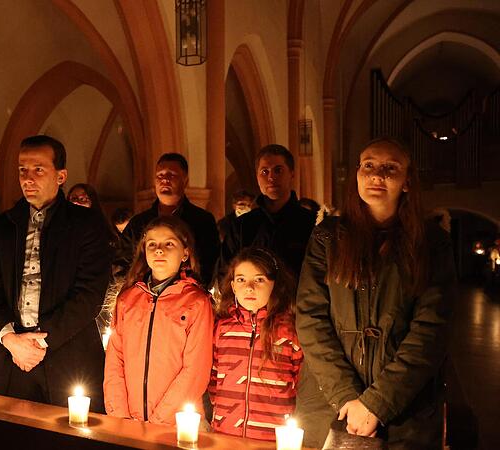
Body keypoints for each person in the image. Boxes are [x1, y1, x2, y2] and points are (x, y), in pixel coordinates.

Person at [294, 137, 456, 448]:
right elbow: (311, 317)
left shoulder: (432, 243)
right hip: (331, 400)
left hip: (405, 407)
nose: (376, 175)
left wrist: (378, 403)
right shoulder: (327, 237)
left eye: (389, 168)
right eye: (368, 165)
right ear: (356, 173)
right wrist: (346, 395)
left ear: (407, 182)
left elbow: (432, 329)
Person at [0, 135, 112, 410]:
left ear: (61, 175)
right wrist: (9, 338)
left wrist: (39, 343)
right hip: (11, 356)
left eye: (38, 169)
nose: (28, 178)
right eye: (22, 170)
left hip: (68, 354)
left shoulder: (85, 224)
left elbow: (89, 294)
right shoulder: (4, 226)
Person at [104, 216, 213, 424]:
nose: (159, 250)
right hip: (129, 422)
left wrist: (158, 420)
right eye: (152, 244)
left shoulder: (197, 303)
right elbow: (114, 360)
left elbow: (195, 371)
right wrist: (120, 415)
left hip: (177, 423)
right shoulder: (128, 299)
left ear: (185, 253)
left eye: (169, 244)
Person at [209, 247, 303, 440]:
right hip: (225, 435)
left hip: (272, 438)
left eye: (259, 280)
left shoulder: (290, 331)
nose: (249, 287)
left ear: (275, 284)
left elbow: (301, 383)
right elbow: (212, 377)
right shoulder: (222, 328)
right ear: (233, 285)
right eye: (241, 279)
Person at [119, 153, 219, 288]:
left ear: (185, 180)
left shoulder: (202, 221)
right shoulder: (138, 223)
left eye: (171, 175)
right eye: (160, 176)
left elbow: (209, 265)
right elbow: (121, 263)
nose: (164, 180)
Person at [218, 144, 316, 280]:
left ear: (291, 173)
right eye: (265, 171)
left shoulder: (310, 223)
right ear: (257, 176)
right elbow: (225, 273)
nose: (271, 177)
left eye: (278, 170)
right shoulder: (241, 226)